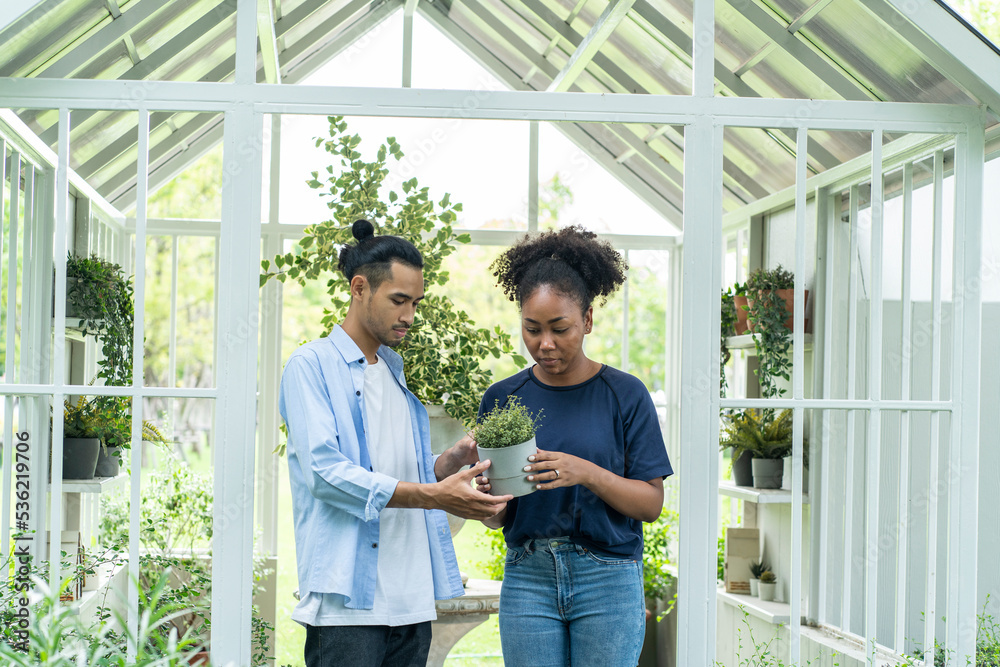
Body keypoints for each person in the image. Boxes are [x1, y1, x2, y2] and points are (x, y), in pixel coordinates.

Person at [279, 219, 511, 667]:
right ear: (359, 287)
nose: (409, 316)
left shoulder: (392, 369)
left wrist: (447, 463)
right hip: (349, 607)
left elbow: (395, 465)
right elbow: (326, 474)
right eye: (398, 301)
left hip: (412, 599)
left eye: (415, 303)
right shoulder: (310, 366)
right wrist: (433, 496)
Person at [479, 225, 674, 667]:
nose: (544, 344)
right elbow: (501, 513)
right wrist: (489, 507)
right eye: (532, 329)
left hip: (607, 579)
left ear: (587, 319)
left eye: (559, 328)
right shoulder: (501, 399)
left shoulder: (625, 394)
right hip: (528, 576)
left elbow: (649, 504)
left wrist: (585, 472)